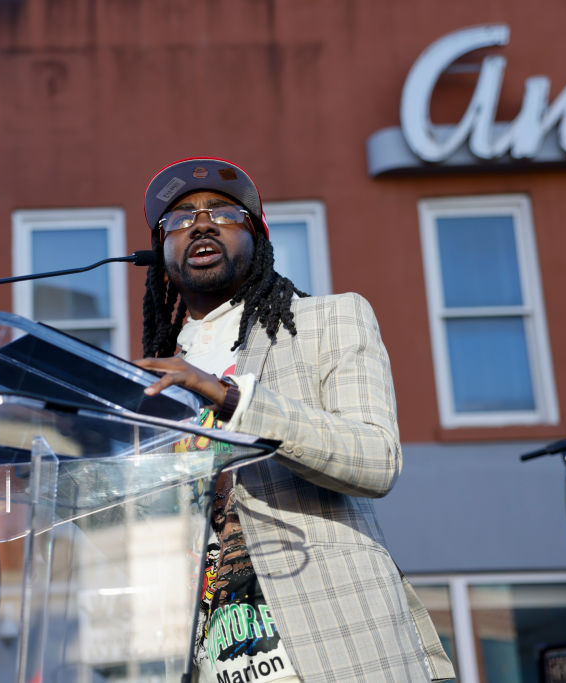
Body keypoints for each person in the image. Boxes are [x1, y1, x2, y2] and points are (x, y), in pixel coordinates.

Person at [135, 157, 454, 682]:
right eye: (179, 218)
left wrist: (233, 398)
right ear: (158, 252)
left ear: (258, 235)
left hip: (334, 644)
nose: (201, 223)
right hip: (209, 658)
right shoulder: (154, 375)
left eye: (224, 212)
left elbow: (376, 460)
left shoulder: (328, 320)